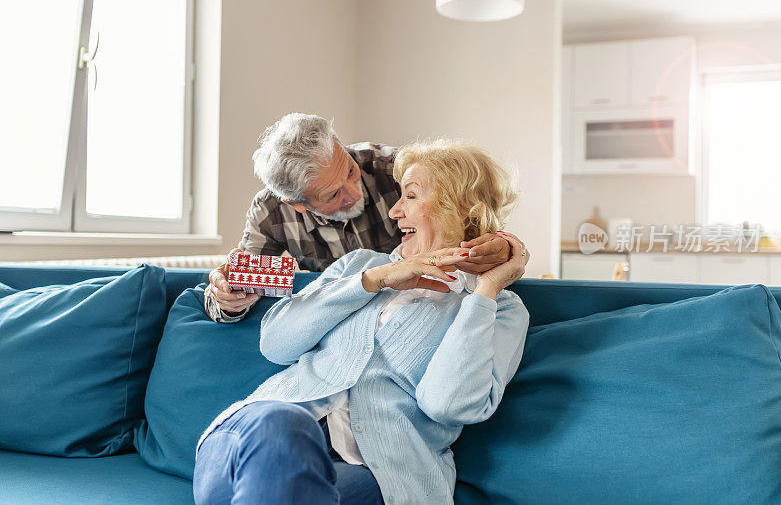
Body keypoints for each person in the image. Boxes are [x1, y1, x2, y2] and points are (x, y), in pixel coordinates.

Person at [193, 139, 530, 504]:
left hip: (377, 472)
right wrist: (374, 280)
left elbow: (447, 404)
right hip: (257, 435)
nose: (395, 211)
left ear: (461, 208)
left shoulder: (500, 309)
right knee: (283, 427)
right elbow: (275, 342)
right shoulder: (359, 265)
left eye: (411, 197)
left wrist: (484, 292)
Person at [203, 112, 527, 323]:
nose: (354, 192)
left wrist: (502, 247)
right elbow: (237, 282)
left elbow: (474, 214)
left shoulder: (394, 167)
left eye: (350, 170)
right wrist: (227, 299)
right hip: (343, 327)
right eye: (333, 195)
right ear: (297, 204)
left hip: (419, 312)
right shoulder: (272, 213)